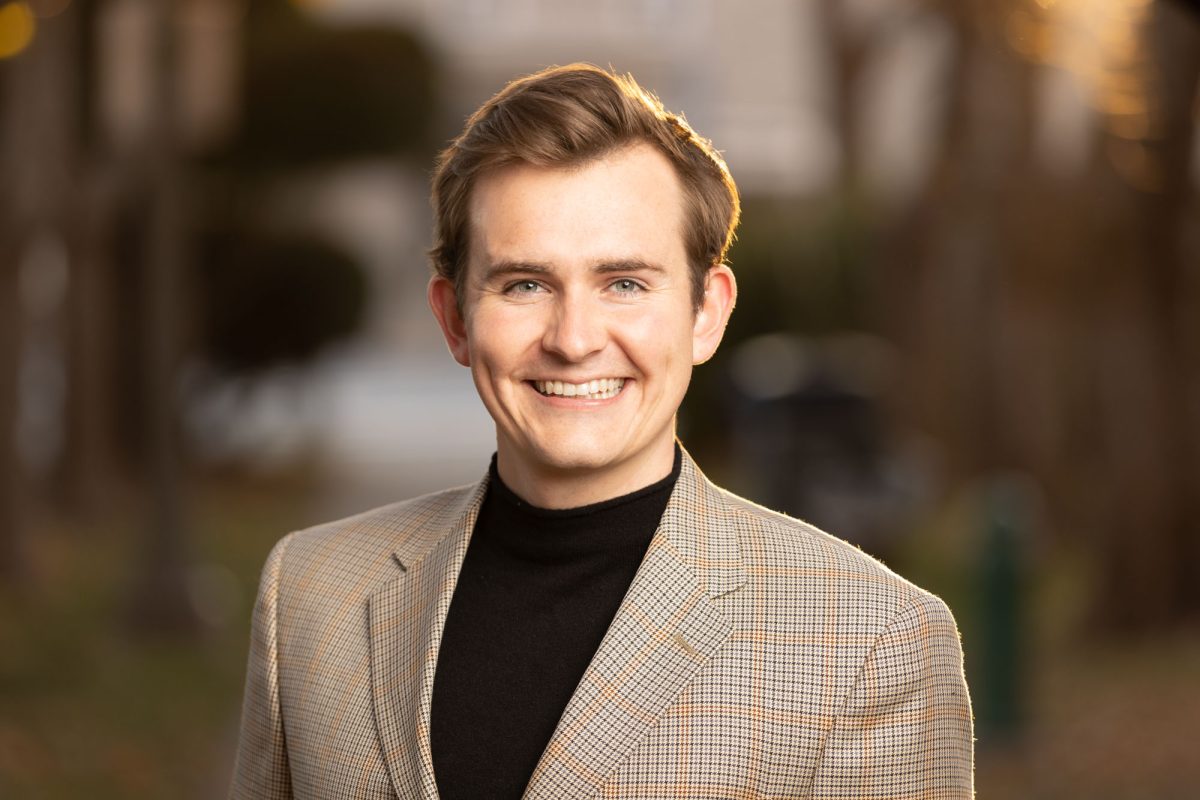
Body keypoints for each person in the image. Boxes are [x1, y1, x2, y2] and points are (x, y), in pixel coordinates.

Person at [229, 64, 973, 800]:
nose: (574, 338)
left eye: (624, 283)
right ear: (455, 318)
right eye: (525, 284)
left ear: (706, 312)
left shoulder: (873, 641)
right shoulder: (309, 592)